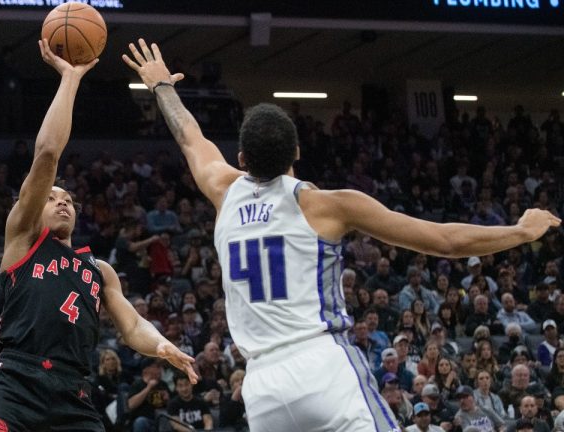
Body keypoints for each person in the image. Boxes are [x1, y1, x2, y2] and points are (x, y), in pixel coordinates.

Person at [122, 38, 561, 431]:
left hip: (261, 386)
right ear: (297, 150)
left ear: (240, 156)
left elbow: (189, 137)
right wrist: (521, 231)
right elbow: (445, 241)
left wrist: (162, 86)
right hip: (322, 366)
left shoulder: (222, 189)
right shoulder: (327, 205)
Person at [0, 39, 196, 432]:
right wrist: (70, 79)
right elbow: (47, 154)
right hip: (16, 382)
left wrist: (161, 345)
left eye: (69, 200)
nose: (62, 202)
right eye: (53, 197)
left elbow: (132, 326)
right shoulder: (23, 240)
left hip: (72, 392)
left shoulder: (99, 270)